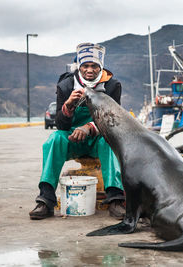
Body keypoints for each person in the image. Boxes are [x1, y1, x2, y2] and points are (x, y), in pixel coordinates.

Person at [29, 43, 125, 220]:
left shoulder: (112, 86)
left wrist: (90, 127)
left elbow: (114, 120)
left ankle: (115, 199)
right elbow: (61, 126)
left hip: (98, 137)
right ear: (79, 66)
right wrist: (67, 106)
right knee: (54, 140)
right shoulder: (66, 86)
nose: (90, 70)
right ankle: (45, 200)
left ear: (100, 66)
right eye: (85, 66)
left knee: (109, 142)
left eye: (94, 66)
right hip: (73, 137)